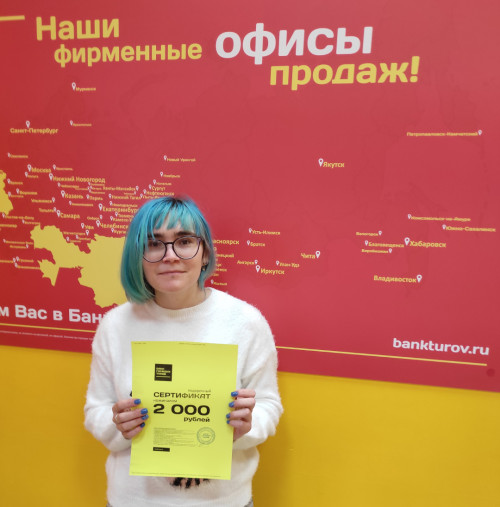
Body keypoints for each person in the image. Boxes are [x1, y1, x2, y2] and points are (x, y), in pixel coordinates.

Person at [84, 196, 283, 507]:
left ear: (205, 254)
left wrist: (246, 427)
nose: (170, 256)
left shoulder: (245, 322)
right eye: (154, 244)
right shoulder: (115, 325)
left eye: (185, 241)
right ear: (138, 256)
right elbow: (96, 409)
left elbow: (269, 405)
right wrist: (118, 425)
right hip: (134, 501)